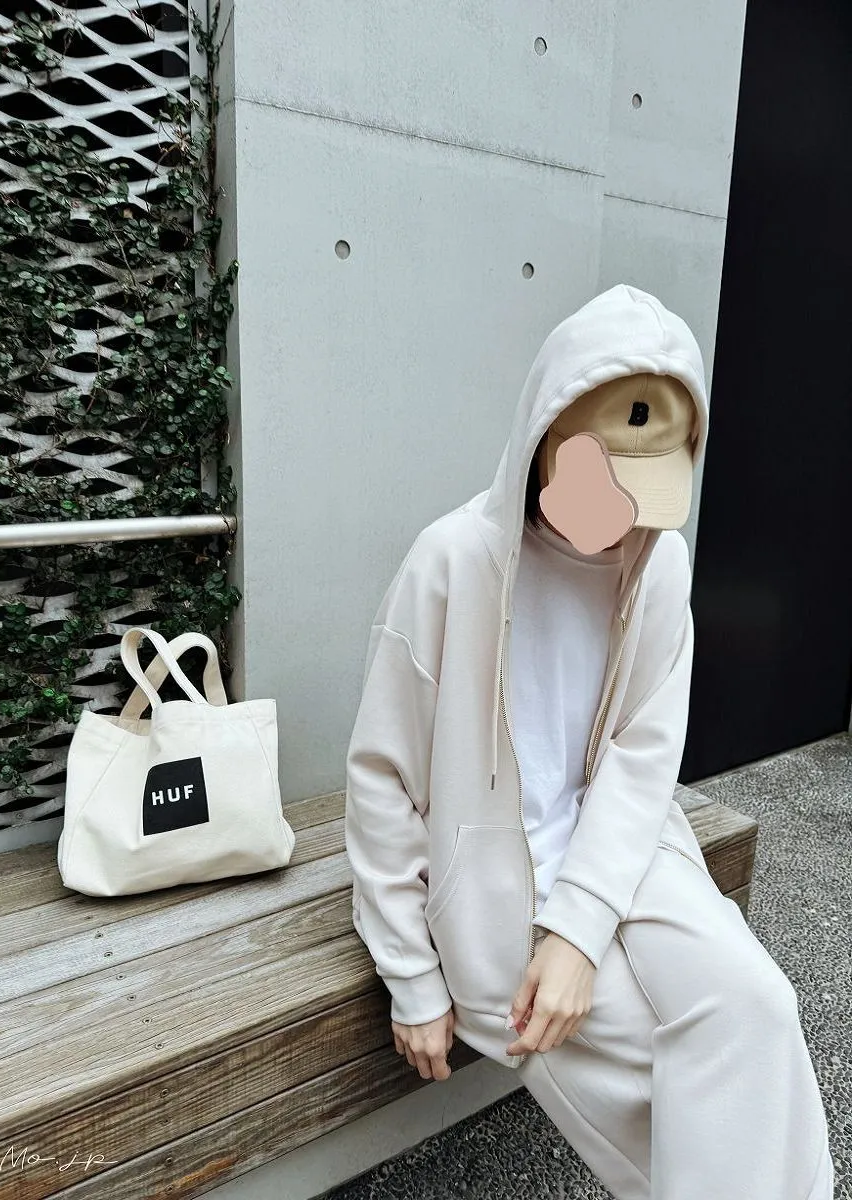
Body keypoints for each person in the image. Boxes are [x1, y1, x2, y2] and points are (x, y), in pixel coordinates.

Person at [344, 283, 834, 1199]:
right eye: (608, 483)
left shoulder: (660, 562)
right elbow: (380, 780)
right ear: (546, 438)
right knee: (681, 1087)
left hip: (626, 853)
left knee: (760, 1005)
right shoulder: (449, 562)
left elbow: (642, 756)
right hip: (490, 901)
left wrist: (577, 930)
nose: (629, 518)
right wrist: (412, 976)